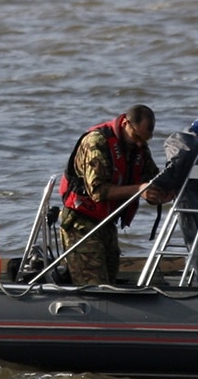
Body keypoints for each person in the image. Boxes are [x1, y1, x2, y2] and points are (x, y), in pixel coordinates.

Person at [58, 104, 173, 286]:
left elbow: (150, 179)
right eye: (137, 137)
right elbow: (97, 191)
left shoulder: (139, 147)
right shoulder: (97, 142)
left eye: (145, 140)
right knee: (94, 287)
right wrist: (139, 190)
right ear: (126, 123)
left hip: (107, 224)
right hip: (81, 224)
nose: (139, 144)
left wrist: (160, 193)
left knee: (110, 284)